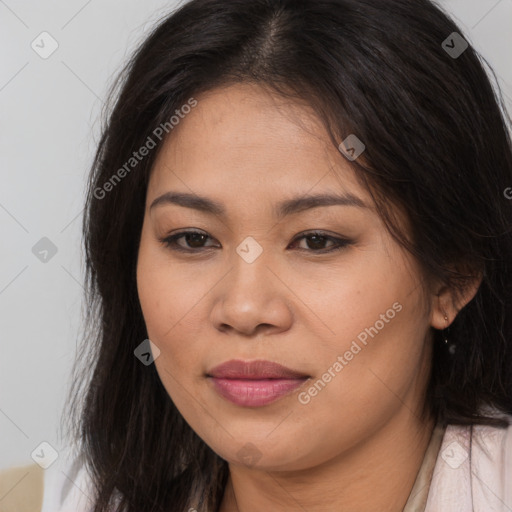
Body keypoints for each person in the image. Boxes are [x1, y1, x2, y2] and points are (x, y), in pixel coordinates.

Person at [35, 0, 512, 510]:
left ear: (453, 276)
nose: (243, 309)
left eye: (317, 240)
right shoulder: (54, 496)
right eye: (192, 239)